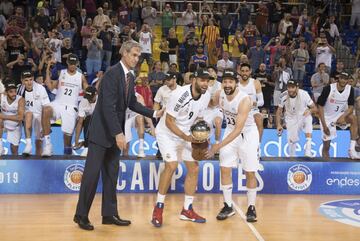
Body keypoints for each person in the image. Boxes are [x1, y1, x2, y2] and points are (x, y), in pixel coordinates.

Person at [74, 40, 163, 231]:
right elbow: (107, 106)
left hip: (114, 133)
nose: (137, 59)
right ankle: (81, 215)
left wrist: (154, 113)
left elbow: (131, 103)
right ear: (124, 53)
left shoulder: (130, 76)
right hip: (101, 133)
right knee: (91, 175)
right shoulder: (112, 74)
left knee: (111, 176)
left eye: (139, 56)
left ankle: (109, 214)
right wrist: (118, 133)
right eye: (134, 55)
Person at [151, 69, 211, 227]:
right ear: (194, 80)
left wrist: (200, 136)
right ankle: (158, 208)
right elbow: (169, 121)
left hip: (186, 133)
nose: (205, 83)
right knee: (171, 165)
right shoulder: (179, 95)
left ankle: (187, 209)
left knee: (194, 168)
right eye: (202, 80)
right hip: (167, 133)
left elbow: (197, 117)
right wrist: (186, 138)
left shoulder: (207, 95)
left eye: (207, 80)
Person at [205, 68, 259, 223]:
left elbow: (238, 129)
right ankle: (228, 206)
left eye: (230, 81)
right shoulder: (219, 94)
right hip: (230, 131)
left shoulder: (244, 100)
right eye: (225, 81)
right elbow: (209, 104)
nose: (227, 84)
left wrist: (217, 145)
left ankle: (251, 207)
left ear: (236, 83)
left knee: (250, 172)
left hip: (247, 134)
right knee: (224, 168)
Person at [42, 54, 88, 156]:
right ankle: (48, 145)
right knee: (46, 110)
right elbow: (50, 87)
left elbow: (87, 89)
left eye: (74, 64)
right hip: (58, 103)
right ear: (67, 63)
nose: (72, 66)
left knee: (67, 142)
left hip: (71, 107)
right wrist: (48, 68)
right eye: (70, 64)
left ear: (77, 64)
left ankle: (67, 156)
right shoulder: (61, 73)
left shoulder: (80, 77)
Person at [317, 72, 359, 159]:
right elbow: (320, 107)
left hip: (340, 115)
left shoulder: (350, 89)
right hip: (327, 118)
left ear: (348, 80)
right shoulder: (328, 88)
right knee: (326, 147)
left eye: (346, 79)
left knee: (353, 118)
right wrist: (324, 125)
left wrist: (343, 116)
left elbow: (351, 107)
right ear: (338, 78)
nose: (343, 80)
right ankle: (326, 167)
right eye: (342, 78)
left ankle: (352, 150)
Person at [276, 79, 317, 157]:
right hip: (290, 118)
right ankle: (292, 156)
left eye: (292, 87)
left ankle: (308, 151)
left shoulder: (304, 94)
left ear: (297, 88)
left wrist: (310, 111)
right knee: (292, 141)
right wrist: (278, 124)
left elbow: (314, 108)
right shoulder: (283, 95)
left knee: (308, 118)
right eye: (289, 87)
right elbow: (279, 111)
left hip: (303, 115)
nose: (290, 89)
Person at [17, 71, 50, 156]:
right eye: (26, 80)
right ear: (22, 81)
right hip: (28, 115)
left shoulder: (40, 88)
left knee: (39, 142)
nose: (29, 82)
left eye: (31, 80)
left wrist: (46, 124)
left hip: (40, 115)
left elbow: (46, 108)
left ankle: (47, 146)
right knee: (29, 114)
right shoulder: (19, 90)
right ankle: (28, 145)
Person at [237, 63, 264, 153]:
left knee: (259, 118)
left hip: (253, 110)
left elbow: (261, 102)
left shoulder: (255, 83)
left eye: (247, 71)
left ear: (250, 71)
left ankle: (258, 146)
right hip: (239, 111)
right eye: (243, 71)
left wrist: (250, 103)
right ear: (239, 71)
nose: (245, 73)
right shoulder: (236, 84)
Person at [0, 81, 25, 155]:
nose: (14, 94)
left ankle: (15, 162)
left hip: (15, 125)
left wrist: (3, 116)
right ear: (6, 92)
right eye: (11, 92)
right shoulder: (1, 97)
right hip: (3, 123)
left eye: (15, 91)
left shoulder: (20, 100)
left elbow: (20, 117)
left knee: (14, 150)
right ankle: (0, 146)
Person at [73, 86, 98, 157]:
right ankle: (87, 146)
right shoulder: (83, 102)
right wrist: (76, 141)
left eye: (90, 98)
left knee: (91, 118)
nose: (89, 100)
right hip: (90, 123)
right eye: (87, 98)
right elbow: (80, 122)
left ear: (96, 94)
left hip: (102, 122)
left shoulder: (101, 100)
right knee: (87, 119)